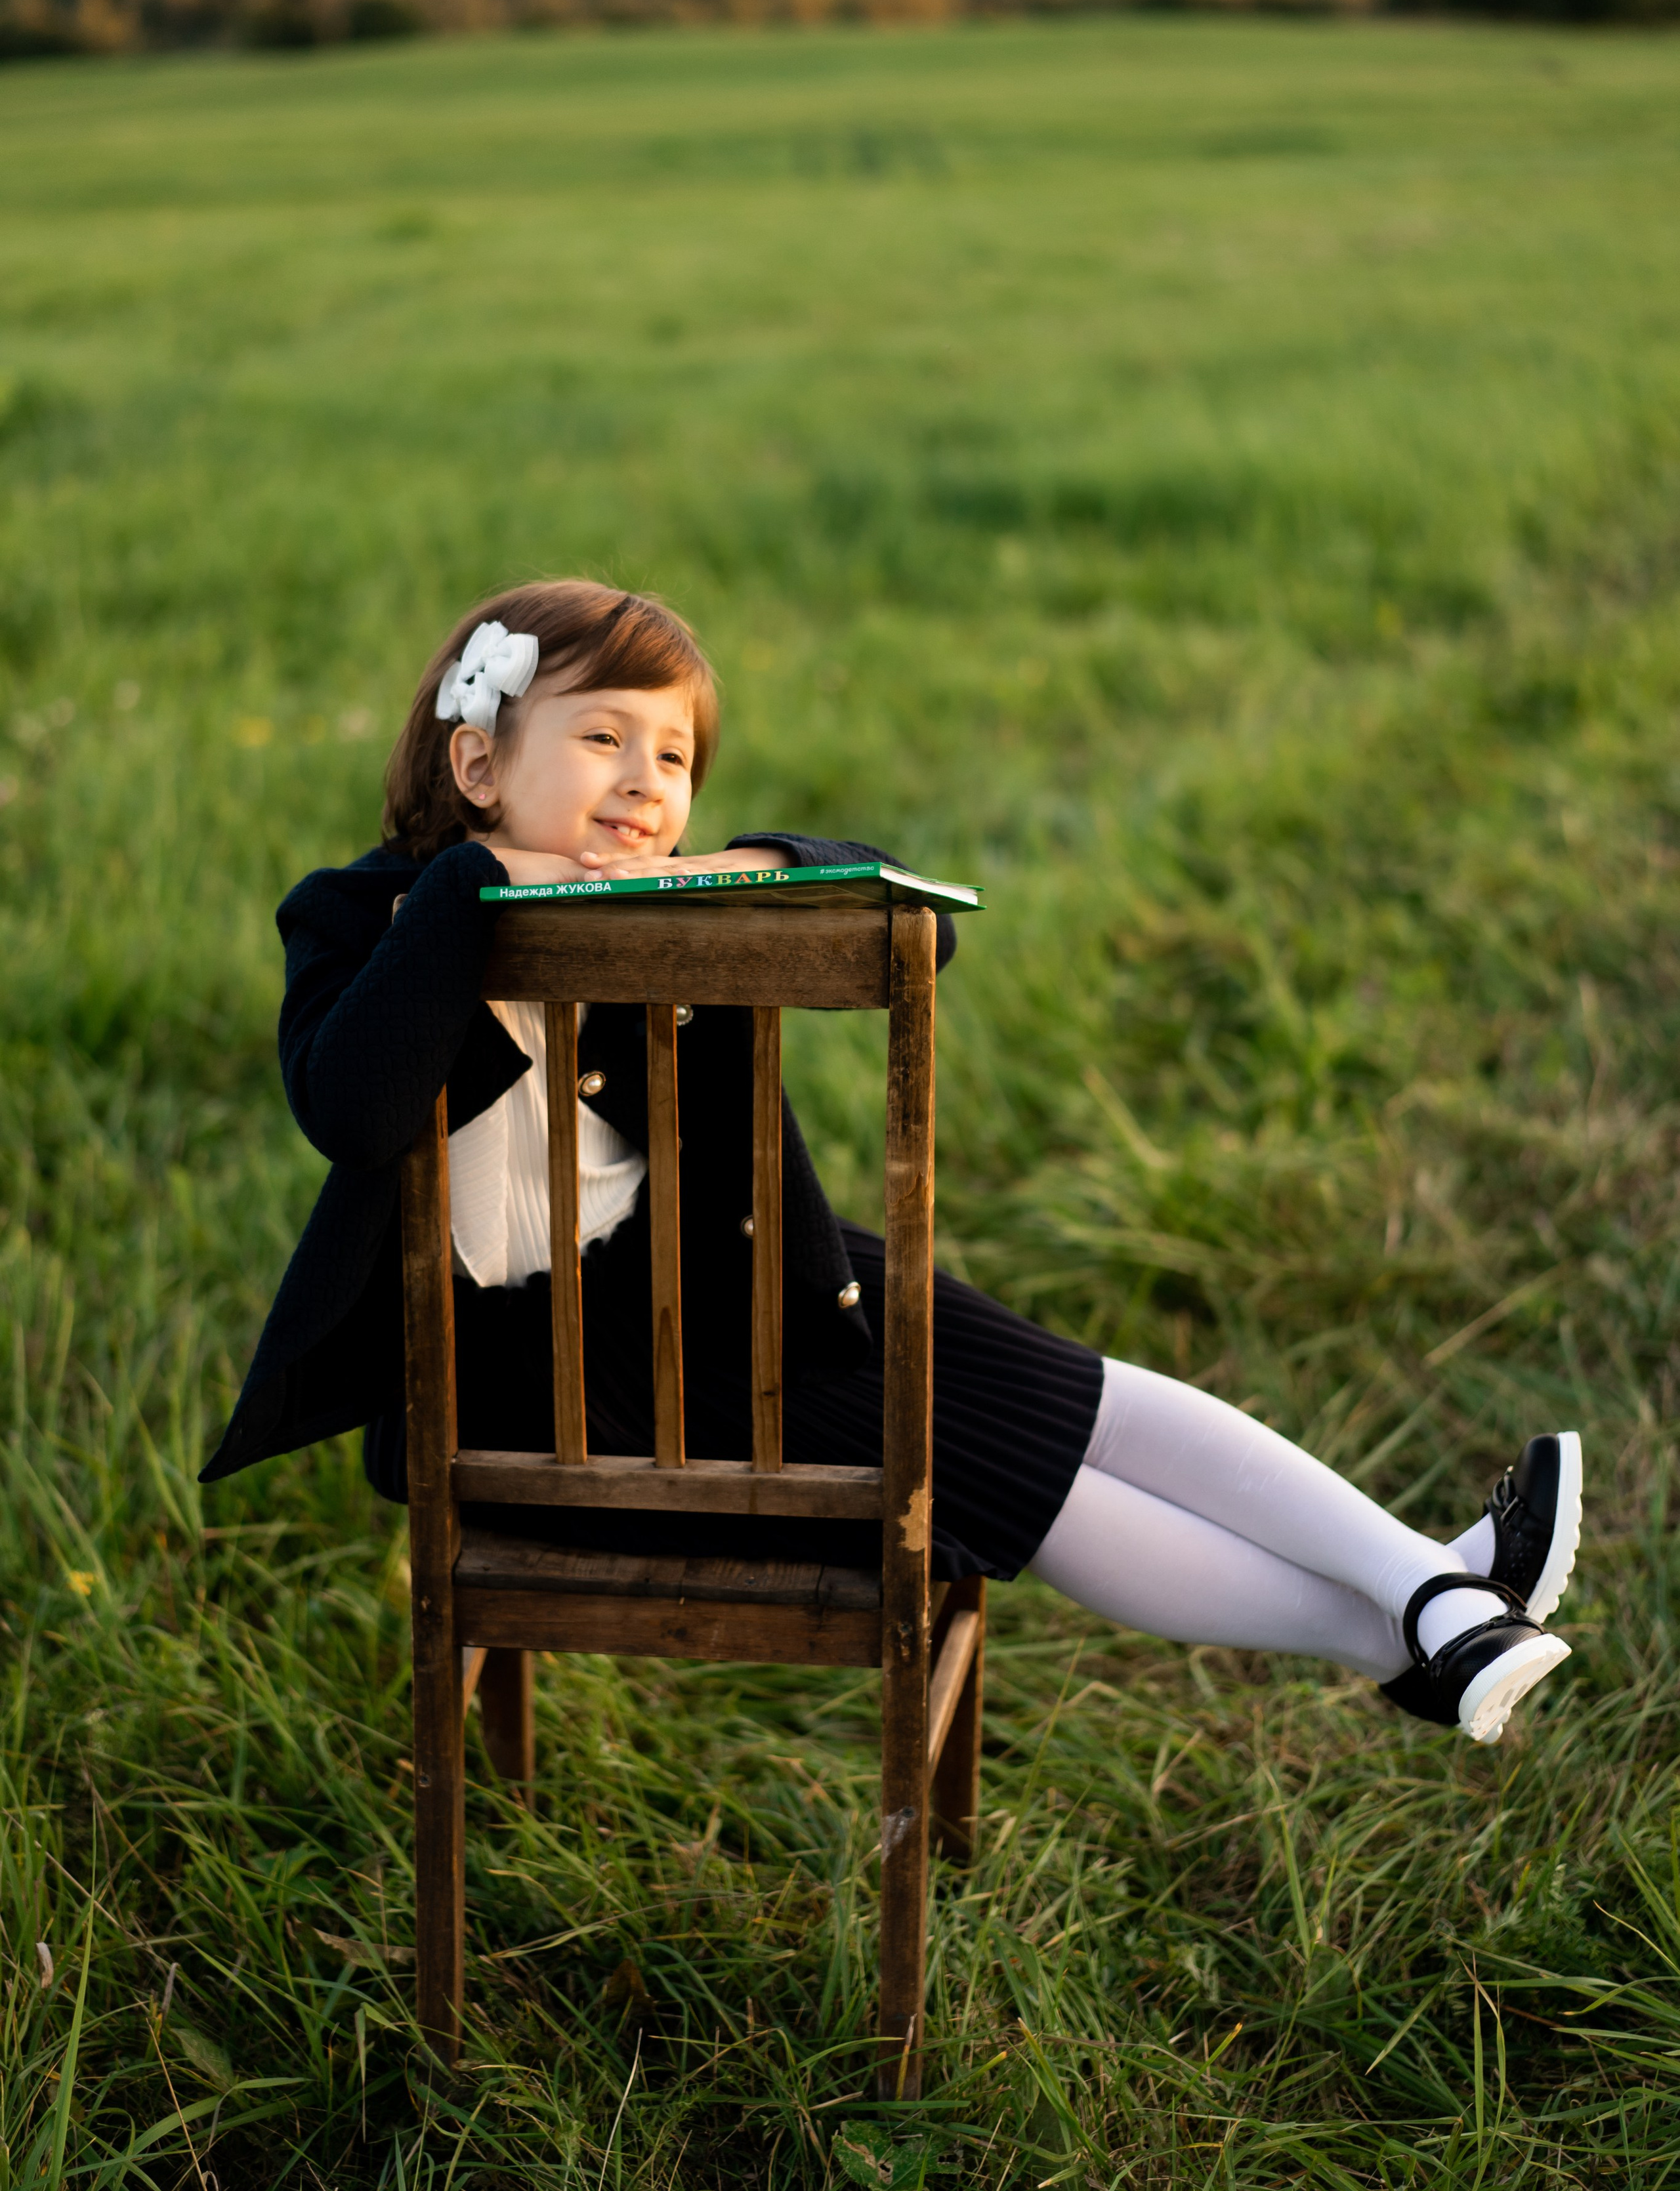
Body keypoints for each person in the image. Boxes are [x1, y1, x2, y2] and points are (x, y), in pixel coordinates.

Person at [201, 579, 1582, 1746]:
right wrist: (479, 891)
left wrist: (730, 869)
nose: (642, 784)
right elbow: (355, 1111)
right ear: (478, 764)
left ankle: (1429, 1593)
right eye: (602, 737)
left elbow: (921, 926)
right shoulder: (361, 917)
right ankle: (1424, 1623)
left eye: (673, 758)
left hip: (715, 1284)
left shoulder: (670, 900)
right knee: (1014, 1469)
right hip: (534, 1389)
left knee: (1075, 1395)